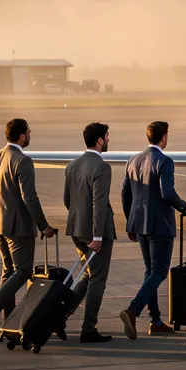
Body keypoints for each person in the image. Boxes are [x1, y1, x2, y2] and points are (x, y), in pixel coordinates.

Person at [0, 118, 57, 337]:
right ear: (22, 135)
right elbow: (29, 198)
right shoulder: (23, 161)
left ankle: (7, 325)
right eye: (28, 132)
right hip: (18, 227)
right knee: (22, 271)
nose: (30, 135)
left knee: (8, 271)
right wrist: (44, 226)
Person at [119, 121, 186, 340]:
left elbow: (125, 194)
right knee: (159, 271)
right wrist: (185, 207)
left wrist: (130, 222)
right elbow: (167, 193)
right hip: (159, 225)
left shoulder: (133, 160)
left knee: (150, 271)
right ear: (163, 137)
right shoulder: (164, 161)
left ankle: (155, 321)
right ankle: (132, 311)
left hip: (140, 223)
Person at [64, 122, 116, 343]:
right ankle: (88, 329)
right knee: (97, 279)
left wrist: (81, 224)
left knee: (87, 275)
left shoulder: (72, 165)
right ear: (100, 140)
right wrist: (97, 235)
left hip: (77, 228)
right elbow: (99, 202)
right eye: (107, 136)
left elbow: (68, 200)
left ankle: (61, 315)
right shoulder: (102, 167)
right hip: (95, 233)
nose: (108, 140)